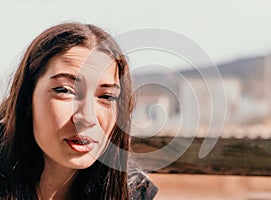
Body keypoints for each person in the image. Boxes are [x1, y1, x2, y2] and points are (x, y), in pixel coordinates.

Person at [0, 22, 157, 199]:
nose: (87, 117)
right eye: (64, 90)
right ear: (27, 99)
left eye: (107, 96)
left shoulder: (130, 191)